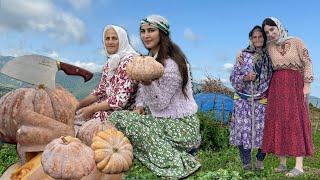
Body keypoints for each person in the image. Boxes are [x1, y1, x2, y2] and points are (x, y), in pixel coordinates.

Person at [108, 15, 201, 179]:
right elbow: (142, 95)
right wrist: (138, 107)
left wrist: (147, 82)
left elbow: (160, 104)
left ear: (162, 33)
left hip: (181, 127)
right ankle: (168, 147)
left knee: (129, 125)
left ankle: (180, 159)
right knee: (117, 118)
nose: (146, 35)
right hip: (161, 121)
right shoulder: (150, 59)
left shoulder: (172, 64)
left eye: (151, 30)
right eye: (142, 31)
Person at [260, 17, 314, 177]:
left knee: (295, 121)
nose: (270, 33)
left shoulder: (297, 41)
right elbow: (255, 53)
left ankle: (299, 166)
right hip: (277, 86)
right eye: (267, 31)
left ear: (279, 27)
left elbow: (307, 62)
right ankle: (282, 163)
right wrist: (239, 55)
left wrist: (307, 85)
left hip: (295, 85)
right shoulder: (269, 46)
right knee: (279, 121)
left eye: (272, 29)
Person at [74, 25, 139, 133]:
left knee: (94, 121)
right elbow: (100, 92)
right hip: (109, 106)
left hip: (125, 111)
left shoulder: (129, 62)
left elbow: (119, 101)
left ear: (122, 40)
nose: (110, 42)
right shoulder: (110, 63)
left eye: (114, 38)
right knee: (80, 113)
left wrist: (91, 109)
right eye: (107, 38)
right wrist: (78, 105)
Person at [230, 26, 273, 171]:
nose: (257, 40)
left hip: (262, 101)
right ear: (250, 39)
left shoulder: (270, 56)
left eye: (260, 36)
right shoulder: (243, 55)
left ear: (264, 38)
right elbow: (233, 78)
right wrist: (245, 78)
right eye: (254, 37)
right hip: (244, 101)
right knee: (243, 133)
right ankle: (246, 164)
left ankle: (260, 161)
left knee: (264, 132)